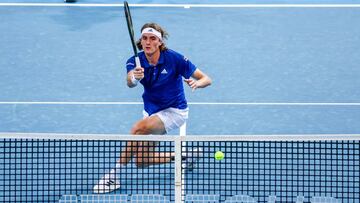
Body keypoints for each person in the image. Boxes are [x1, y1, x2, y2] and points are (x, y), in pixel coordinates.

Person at [93, 22, 212, 193]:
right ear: (140, 42)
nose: (148, 42)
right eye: (144, 38)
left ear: (160, 42)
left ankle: (113, 176)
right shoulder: (134, 61)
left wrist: (197, 83)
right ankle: (184, 157)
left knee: (137, 129)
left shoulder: (174, 58)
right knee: (141, 161)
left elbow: (207, 78)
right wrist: (134, 77)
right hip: (151, 111)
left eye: (152, 38)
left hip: (174, 112)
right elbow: (129, 83)